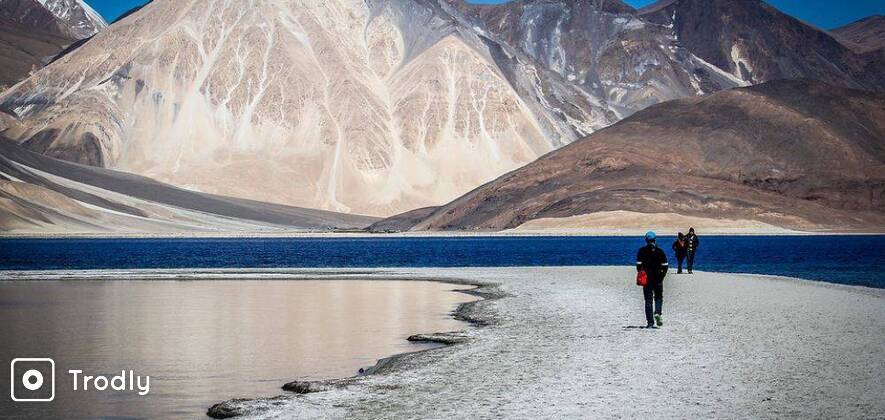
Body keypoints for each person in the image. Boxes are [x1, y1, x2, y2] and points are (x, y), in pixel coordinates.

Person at [636, 231, 669, 328]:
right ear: (655, 239)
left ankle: (650, 323)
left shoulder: (641, 251)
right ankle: (658, 312)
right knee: (658, 297)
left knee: (648, 300)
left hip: (646, 279)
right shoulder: (660, 251)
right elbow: (665, 266)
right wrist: (662, 276)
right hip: (658, 278)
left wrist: (642, 272)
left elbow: (638, 265)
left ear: (646, 240)